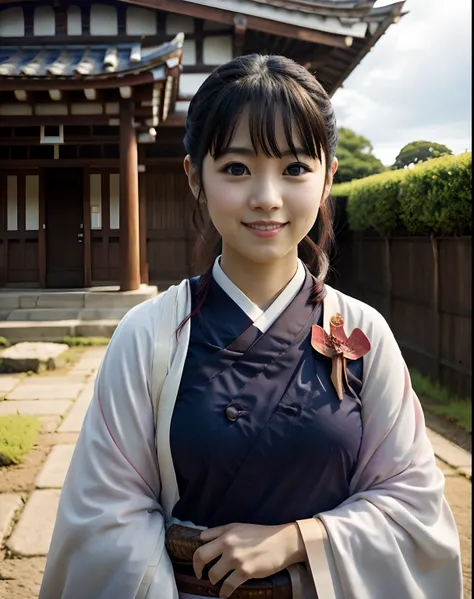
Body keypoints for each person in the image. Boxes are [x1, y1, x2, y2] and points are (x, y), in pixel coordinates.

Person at [39, 54, 462, 599]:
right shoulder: (148, 334)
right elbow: (103, 515)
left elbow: (412, 503)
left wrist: (301, 539)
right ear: (196, 177)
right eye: (236, 168)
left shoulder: (365, 332)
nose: (267, 197)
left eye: (294, 168)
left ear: (328, 175)